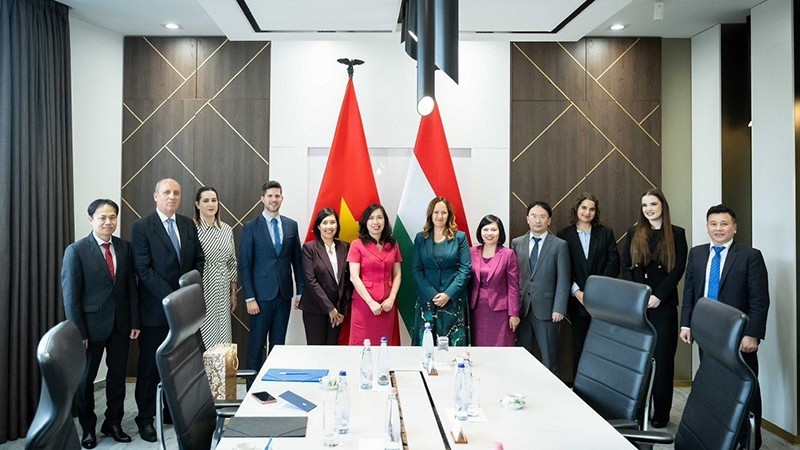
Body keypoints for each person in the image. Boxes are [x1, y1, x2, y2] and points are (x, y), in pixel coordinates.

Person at [680, 204, 769, 448]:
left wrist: (753, 335)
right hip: (706, 333)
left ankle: (750, 441)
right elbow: (690, 293)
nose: (718, 229)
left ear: (734, 228)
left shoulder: (750, 256)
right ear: (707, 226)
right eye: (713, 224)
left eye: (724, 224)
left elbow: (760, 300)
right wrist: (686, 324)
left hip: (739, 337)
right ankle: (719, 438)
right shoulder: (696, 254)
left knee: (745, 389)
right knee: (713, 387)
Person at [62, 199, 140, 449]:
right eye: (102, 218)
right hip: (90, 329)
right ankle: (88, 428)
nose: (108, 222)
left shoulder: (124, 247)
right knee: (85, 381)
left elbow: (131, 288)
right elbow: (71, 296)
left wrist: (134, 321)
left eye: (113, 217)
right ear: (91, 220)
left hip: (121, 325)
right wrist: (78, 332)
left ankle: (113, 423)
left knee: (117, 378)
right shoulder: (77, 250)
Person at [130, 178, 204, 442]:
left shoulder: (186, 224)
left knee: (179, 366)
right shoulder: (142, 227)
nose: (171, 197)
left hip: (184, 312)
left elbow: (198, 259)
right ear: (155, 196)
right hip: (155, 310)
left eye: (176, 193)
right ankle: (145, 418)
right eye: (166, 193)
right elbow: (144, 269)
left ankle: (171, 411)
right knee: (150, 366)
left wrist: (187, 291)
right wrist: (174, 297)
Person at [620, 188, 687, 429]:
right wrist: (642, 293)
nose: (648, 209)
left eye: (653, 204)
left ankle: (661, 414)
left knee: (663, 360)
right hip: (639, 306)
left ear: (662, 206)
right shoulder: (634, 232)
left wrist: (659, 295)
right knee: (639, 360)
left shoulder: (676, 233)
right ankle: (638, 410)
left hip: (664, 305)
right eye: (645, 205)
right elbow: (625, 265)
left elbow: (678, 269)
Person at [239, 180, 303, 383]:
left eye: (277, 196)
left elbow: (297, 261)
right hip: (259, 298)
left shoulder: (291, 225)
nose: (274, 199)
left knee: (278, 346)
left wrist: (300, 290)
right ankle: (252, 391)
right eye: (270, 196)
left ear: (282, 198)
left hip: (283, 296)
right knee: (256, 347)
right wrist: (249, 297)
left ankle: (274, 386)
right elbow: (245, 265)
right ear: (262, 199)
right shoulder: (250, 227)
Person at [557, 192, 620, 375]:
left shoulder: (605, 233)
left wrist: (598, 290)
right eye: (584, 208)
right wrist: (577, 292)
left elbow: (613, 263)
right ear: (576, 209)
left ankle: (599, 388)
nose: (587, 212)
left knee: (601, 347)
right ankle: (580, 389)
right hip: (578, 301)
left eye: (592, 209)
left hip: (602, 301)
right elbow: (564, 268)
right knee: (579, 346)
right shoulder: (565, 234)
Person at [511, 201, 570, 374]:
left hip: (548, 310)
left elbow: (563, 279)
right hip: (522, 309)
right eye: (534, 216)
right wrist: (512, 309)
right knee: (523, 356)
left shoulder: (559, 245)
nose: (538, 220)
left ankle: (551, 396)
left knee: (549, 358)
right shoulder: (517, 243)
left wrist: (559, 308)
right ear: (527, 219)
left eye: (542, 216)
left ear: (549, 220)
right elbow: (513, 278)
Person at [411, 197, 471, 346]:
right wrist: (433, 294)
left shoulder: (460, 237)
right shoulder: (421, 238)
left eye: (443, 212)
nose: (439, 216)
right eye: (436, 212)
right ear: (430, 214)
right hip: (427, 300)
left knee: (453, 347)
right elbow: (417, 269)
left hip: (453, 299)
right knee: (427, 345)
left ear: (449, 215)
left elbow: (465, 269)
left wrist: (448, 294)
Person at [347, 204, 402, 346]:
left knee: (385, 345)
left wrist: (392, 298)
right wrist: (371, 302)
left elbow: (397, 275)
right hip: (364, 304)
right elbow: (354, 276)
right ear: (365, 222)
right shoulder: (356, 244)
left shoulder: (393, 244)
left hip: (387, 304)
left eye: (379, 217)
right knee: (362, 344)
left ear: (385, 220)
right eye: (371, 218)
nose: (376, 222)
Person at [299, 208, 353, 345]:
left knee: (331, 350)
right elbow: (311, 281)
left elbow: (348, 281)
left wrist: (342, 310)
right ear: (318, 226)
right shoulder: (309, 248)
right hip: (315, 309)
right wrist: (330, 309)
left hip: (337, 310)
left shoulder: (345, 247)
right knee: (316, 351)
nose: (329, 226)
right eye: (325, 223)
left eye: (332, 222)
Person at [194, 186, 238, 349]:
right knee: (206, 335)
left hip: (223, 288)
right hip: (203, 288)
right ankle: (205, 374)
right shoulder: (193, 229)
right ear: (198, 205)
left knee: (224, 336)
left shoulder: (226, 229)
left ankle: (222, 374)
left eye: (214, 200)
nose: (210, 204)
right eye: (205, 201)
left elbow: (232, 262)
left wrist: (233, 293)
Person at [469, 214, 520, 347]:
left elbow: (513, 286)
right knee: (477, 348)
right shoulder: (471, 252)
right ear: (480, 231)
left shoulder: (508, 254)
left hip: (500, 311)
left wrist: (514, 313)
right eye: (485, 229)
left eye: (493, 229)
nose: (489, 233)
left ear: (500, 232)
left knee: (500, 348)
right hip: (476, 310)